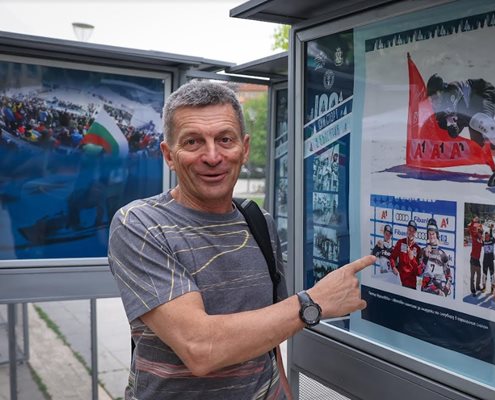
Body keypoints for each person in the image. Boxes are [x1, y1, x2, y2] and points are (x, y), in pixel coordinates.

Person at [108, 81, 374, 400]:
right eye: (193, 142)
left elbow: (269, 337)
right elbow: (200, 348)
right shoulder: (141, 225)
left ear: (244, 149)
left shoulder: (259, 222)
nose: (212, 156)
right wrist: (312, 301)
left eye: (225, 140)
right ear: (169, 154)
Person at [426, 74, 495, 165]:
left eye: (435, 96)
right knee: (481, 145)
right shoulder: (442, 111)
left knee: (481, 121)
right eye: (431, 99)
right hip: (469, 114)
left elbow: (451, 109)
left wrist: (451, 123)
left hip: (482, 93)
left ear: (442, 91)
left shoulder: (452, 90)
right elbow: (449, 130)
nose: (434, 101)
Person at [420, 218, 452, 296]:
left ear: (437, 234)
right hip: (425, 290)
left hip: (438, 291)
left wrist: (445, 291)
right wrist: (425, 258)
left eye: (433, 233)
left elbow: (449, 276)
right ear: (427, 235)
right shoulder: (422, 251)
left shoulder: (442, 254)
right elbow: (418, 272)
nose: (431, 236)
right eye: (429, 234)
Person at [390, 219, 422, 289]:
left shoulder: (418, 249)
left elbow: (418, 272)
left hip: (411, 284)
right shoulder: (400, 242)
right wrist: (393, 267)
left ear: (415, 233)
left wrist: (412, 258)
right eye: (409, 229)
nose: (411, 232)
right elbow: (392, 257)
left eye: (413, 230)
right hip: (399, 281)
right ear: (407, 230)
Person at [468, 216, 483, 296]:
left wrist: (479, 224)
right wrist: (473, 221)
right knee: (473, 276)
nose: (480, 234)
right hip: (473, 258)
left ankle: (477, 287)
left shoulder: (481, 240)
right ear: (478, 233)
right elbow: (470, 229)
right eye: (479, 232)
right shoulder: (474, 237)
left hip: (478, 260)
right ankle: (472, 289)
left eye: (481, 233)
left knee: (479, 274)